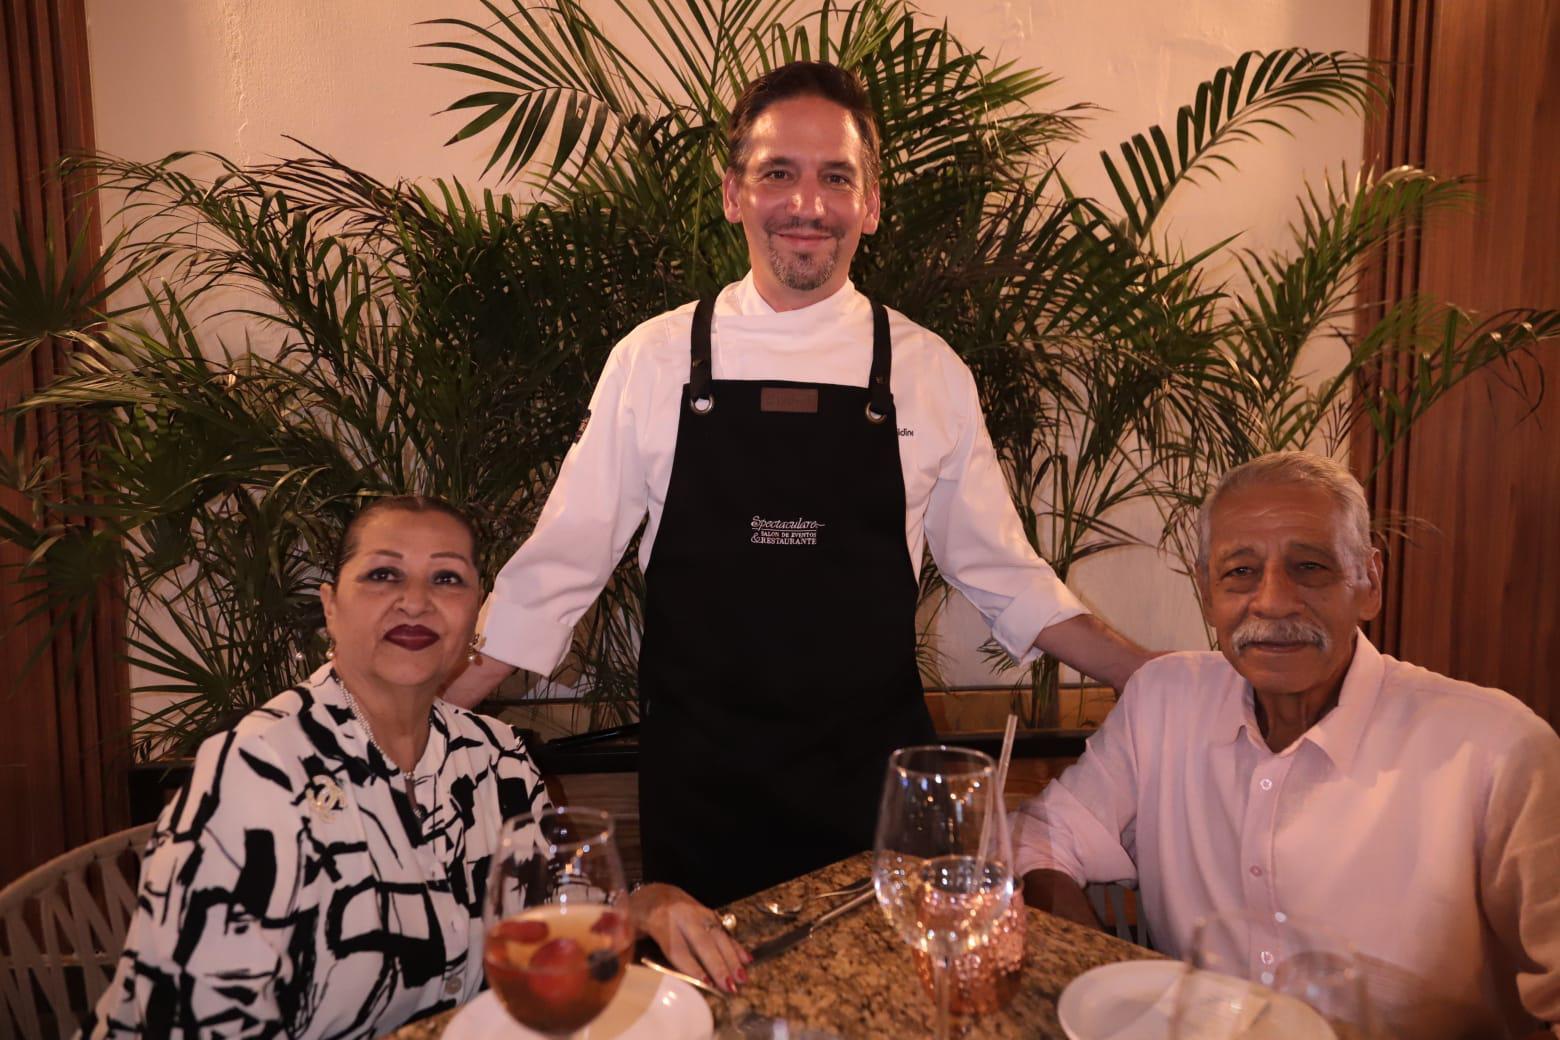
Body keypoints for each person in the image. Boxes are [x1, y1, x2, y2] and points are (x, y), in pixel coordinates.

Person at [443, 61, 1155, 909]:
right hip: (702, 791)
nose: (807, 204)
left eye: (836, 177)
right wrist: (429, 707)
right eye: (778, 172)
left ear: (872, 203)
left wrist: (1147, 674)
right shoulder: (654, 360)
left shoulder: (926, 370)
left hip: (876, 793)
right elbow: (563, 563)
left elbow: (1003, 570)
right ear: (733, 194)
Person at [86, 497, 749, 1039]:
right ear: (330, 606)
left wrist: (643, 906)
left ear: (474, 615)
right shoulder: (256, 771)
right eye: (383, 574)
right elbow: (190, 1023)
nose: (415, 600)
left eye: (447, 578)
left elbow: (552, 932)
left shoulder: (498, 760)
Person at [1011, 452, 1560, 1040]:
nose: (1272, 601)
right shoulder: (1164, 702)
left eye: (1310, 567)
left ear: (1369, 583)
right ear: (1207, 592)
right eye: (1240, 571)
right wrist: (1101, 979)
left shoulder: (1497, 749)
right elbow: (1041, 840)